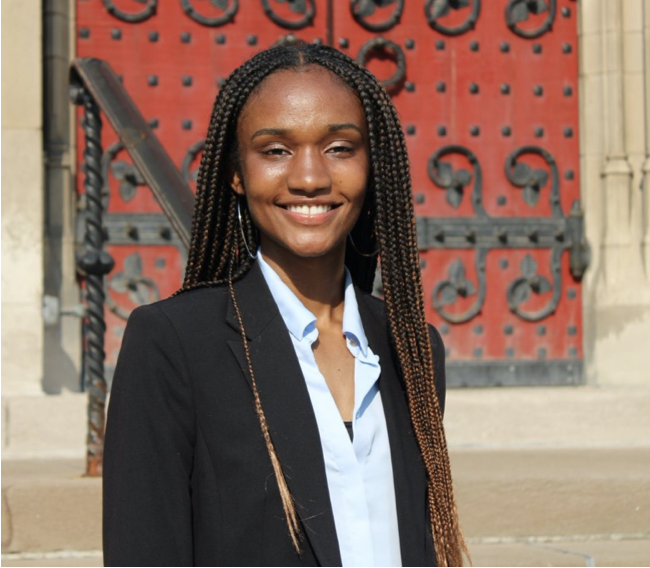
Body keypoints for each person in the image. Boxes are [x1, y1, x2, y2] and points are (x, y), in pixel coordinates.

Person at [102, 43, 468, 567]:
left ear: (372, 164)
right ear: (235, 172)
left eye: (340, 147)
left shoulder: (412, 347)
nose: (310, 178)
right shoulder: (174, 344)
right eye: (275, 150)